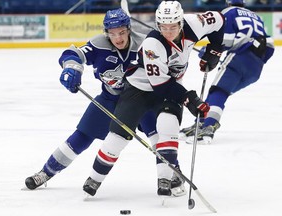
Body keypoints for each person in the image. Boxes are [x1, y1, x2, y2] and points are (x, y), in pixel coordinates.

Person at [82, 0, 225, 197]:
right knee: (117, 137)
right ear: (157, 25)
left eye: (173, 26)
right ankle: (94, 178)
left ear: (181, 22)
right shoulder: (152, 44)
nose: (168, 31)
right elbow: (161, 84)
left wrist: (214, 50)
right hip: (140, 88)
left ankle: (165, 178)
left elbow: (219, 20)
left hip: (170, 86)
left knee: (168, 126)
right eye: (163, 27)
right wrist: (190, 98)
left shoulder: (195, 23)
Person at [24, 8, 160, 191]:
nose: (118, 38)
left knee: (159, 136)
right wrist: (72, 69)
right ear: (106, 33)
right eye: (112, 34)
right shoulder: (99, 44)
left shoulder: (144, 44)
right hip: (110, 99)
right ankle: (46, 172)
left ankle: (173, 176)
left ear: (128, 29)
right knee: (82, 136)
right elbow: (72, 55)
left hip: (142, 99)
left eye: (121, 32)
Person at [180, 0, 275, 145]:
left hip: (240, 57)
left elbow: (225, 39)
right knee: (220, 93)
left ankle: (208, 125)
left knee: (218, 90)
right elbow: (270, 45)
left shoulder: (229, 13)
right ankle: (202, 122)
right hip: (257, 66)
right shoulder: (256, 16)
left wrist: (208, 52)